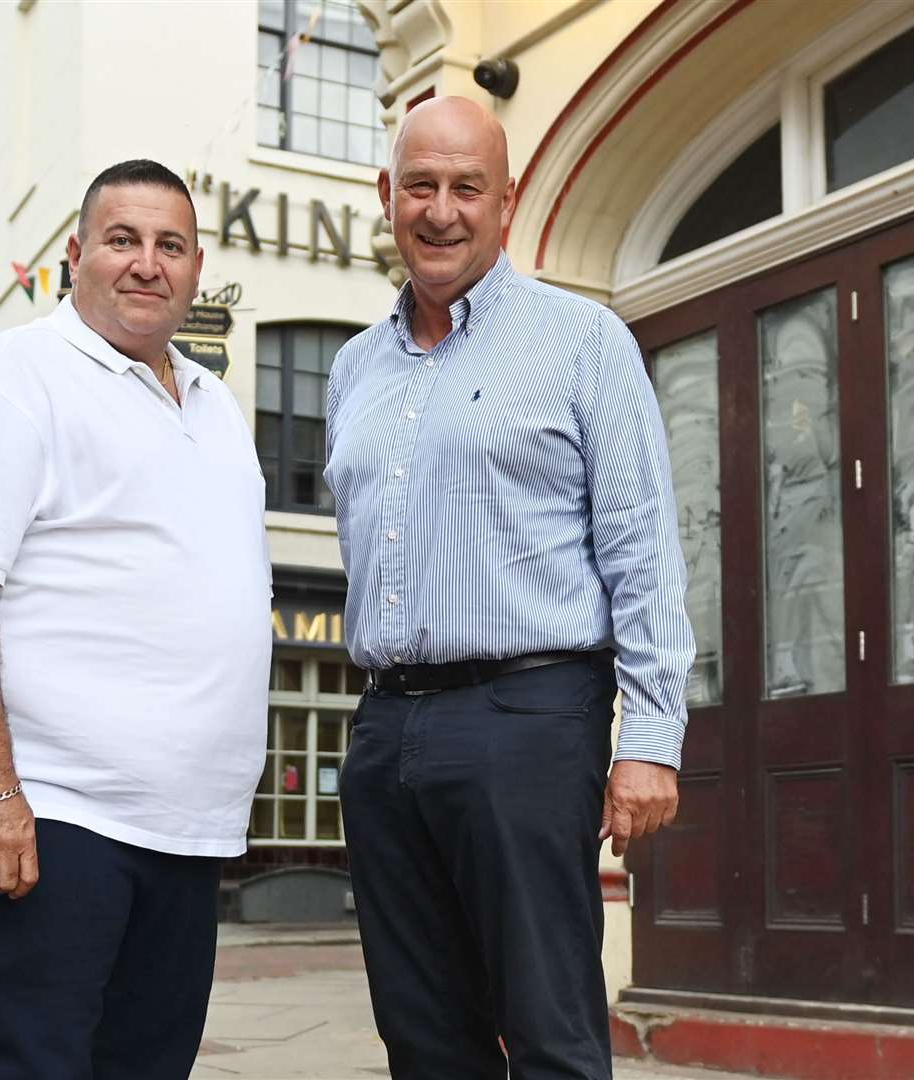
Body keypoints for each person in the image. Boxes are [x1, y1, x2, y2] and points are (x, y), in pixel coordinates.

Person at [324, 97, 695, 1079]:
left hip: (527, 718)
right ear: (384, 195)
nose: (439, 210)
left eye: (464, 187)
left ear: (505, 200)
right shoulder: (354, 368)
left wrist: (649, 742)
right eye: (419, 186)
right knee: (421, 1037)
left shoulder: (582, 341)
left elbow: (640, 546)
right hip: (384, 729)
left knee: (547, 1031)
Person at [0, 159, 272, 1080]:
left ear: (194, 269)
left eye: (170, 245)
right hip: (45, 812)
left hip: (182, 831)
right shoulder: (12, 380)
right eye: (123, 239)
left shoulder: (214, 404)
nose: (147, 264)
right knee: (30, 1065)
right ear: (75, 256)